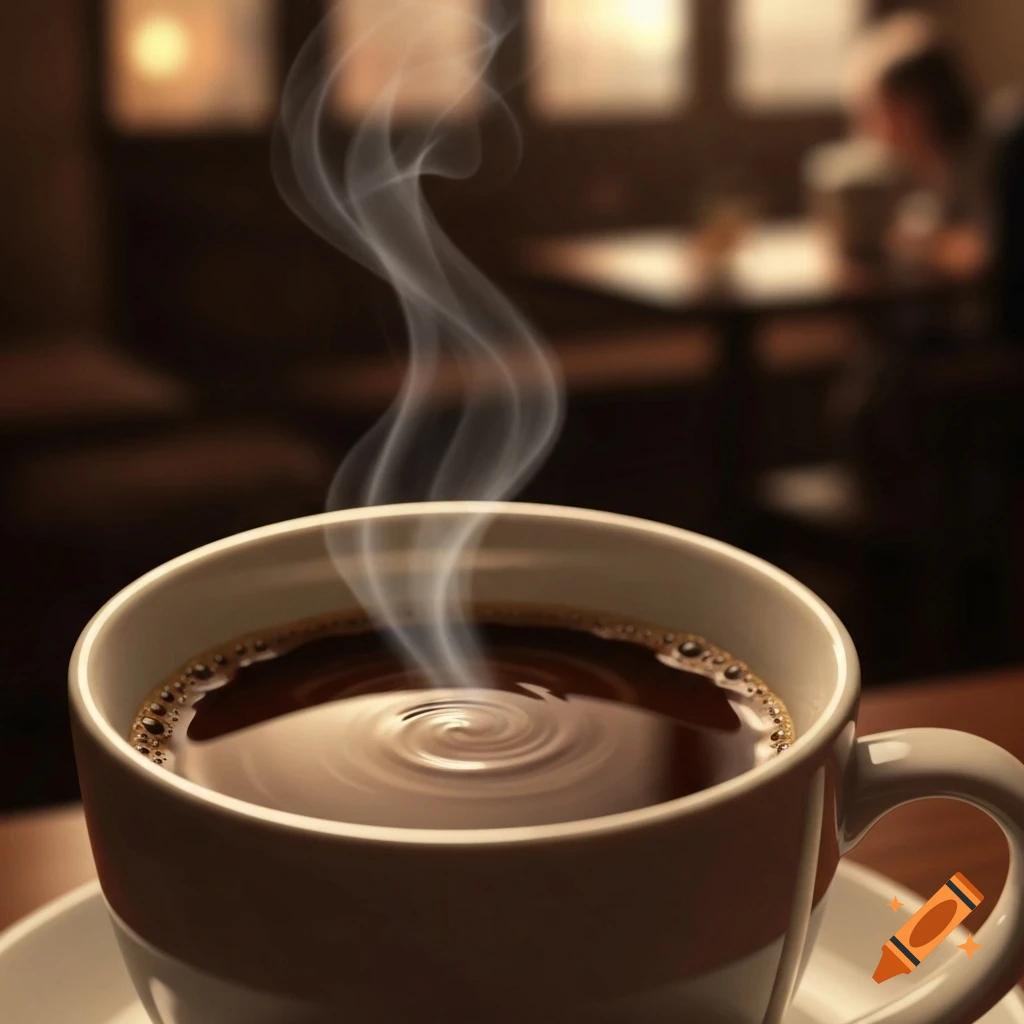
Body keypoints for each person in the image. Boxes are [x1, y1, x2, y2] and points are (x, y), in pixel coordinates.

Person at [849, 14, 987, 277]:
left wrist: (925, 245)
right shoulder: (934, 173)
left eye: (879, 110)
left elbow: (992, 252)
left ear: (919, 108)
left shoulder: (988, 162)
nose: (868, 129)